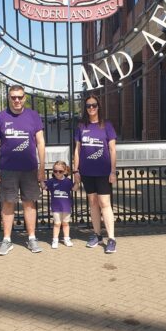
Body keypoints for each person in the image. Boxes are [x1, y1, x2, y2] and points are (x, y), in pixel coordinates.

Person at [0, 84, 45, 255]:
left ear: (24, 98)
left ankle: (32, 238)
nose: (17, 100)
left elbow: (41, 142)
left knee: (29, 204)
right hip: (8, 169)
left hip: (29, 169)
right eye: (13, 97)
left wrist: (42, 167)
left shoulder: (33, 116)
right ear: (9, 98)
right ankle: (6, 240)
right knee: (8, 204)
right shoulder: (1, 117)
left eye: (19, 97)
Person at [73, 94, 117, 254]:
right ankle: (97, 234)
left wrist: (113, 171)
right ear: (85, 108)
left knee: (104, 203)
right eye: (88, 106)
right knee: (92, 202)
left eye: (94, 105)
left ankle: (111, 238)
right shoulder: (81, 127)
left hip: (104, 171)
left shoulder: (107, 125)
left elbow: (112, 149)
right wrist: (76, 170)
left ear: (99, 106)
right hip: (86, 171)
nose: (91, 108)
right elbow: (77, 150)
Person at [45, 160, 79, 249]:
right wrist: (41, 179)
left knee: (65, 223)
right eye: (55, 171)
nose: (57, 173)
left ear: (65, 171)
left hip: (66, 206)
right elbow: (44, 187)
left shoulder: (68, 181)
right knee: (57, 223)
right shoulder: (51, 181)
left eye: (60, 171)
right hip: (56, 207)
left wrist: (77, 181)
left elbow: (75, 189)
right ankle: (55, 240)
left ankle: (66, 239)